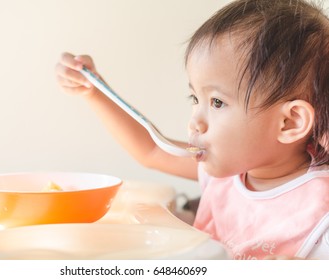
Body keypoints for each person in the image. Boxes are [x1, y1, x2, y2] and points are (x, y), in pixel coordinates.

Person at [55, 0, 329, 260]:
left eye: (217, 102)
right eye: (195, 99)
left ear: (289, 123)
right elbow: (150, 150)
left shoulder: (320, 209)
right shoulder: (226, 175)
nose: (195, 122)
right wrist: (95, 92)